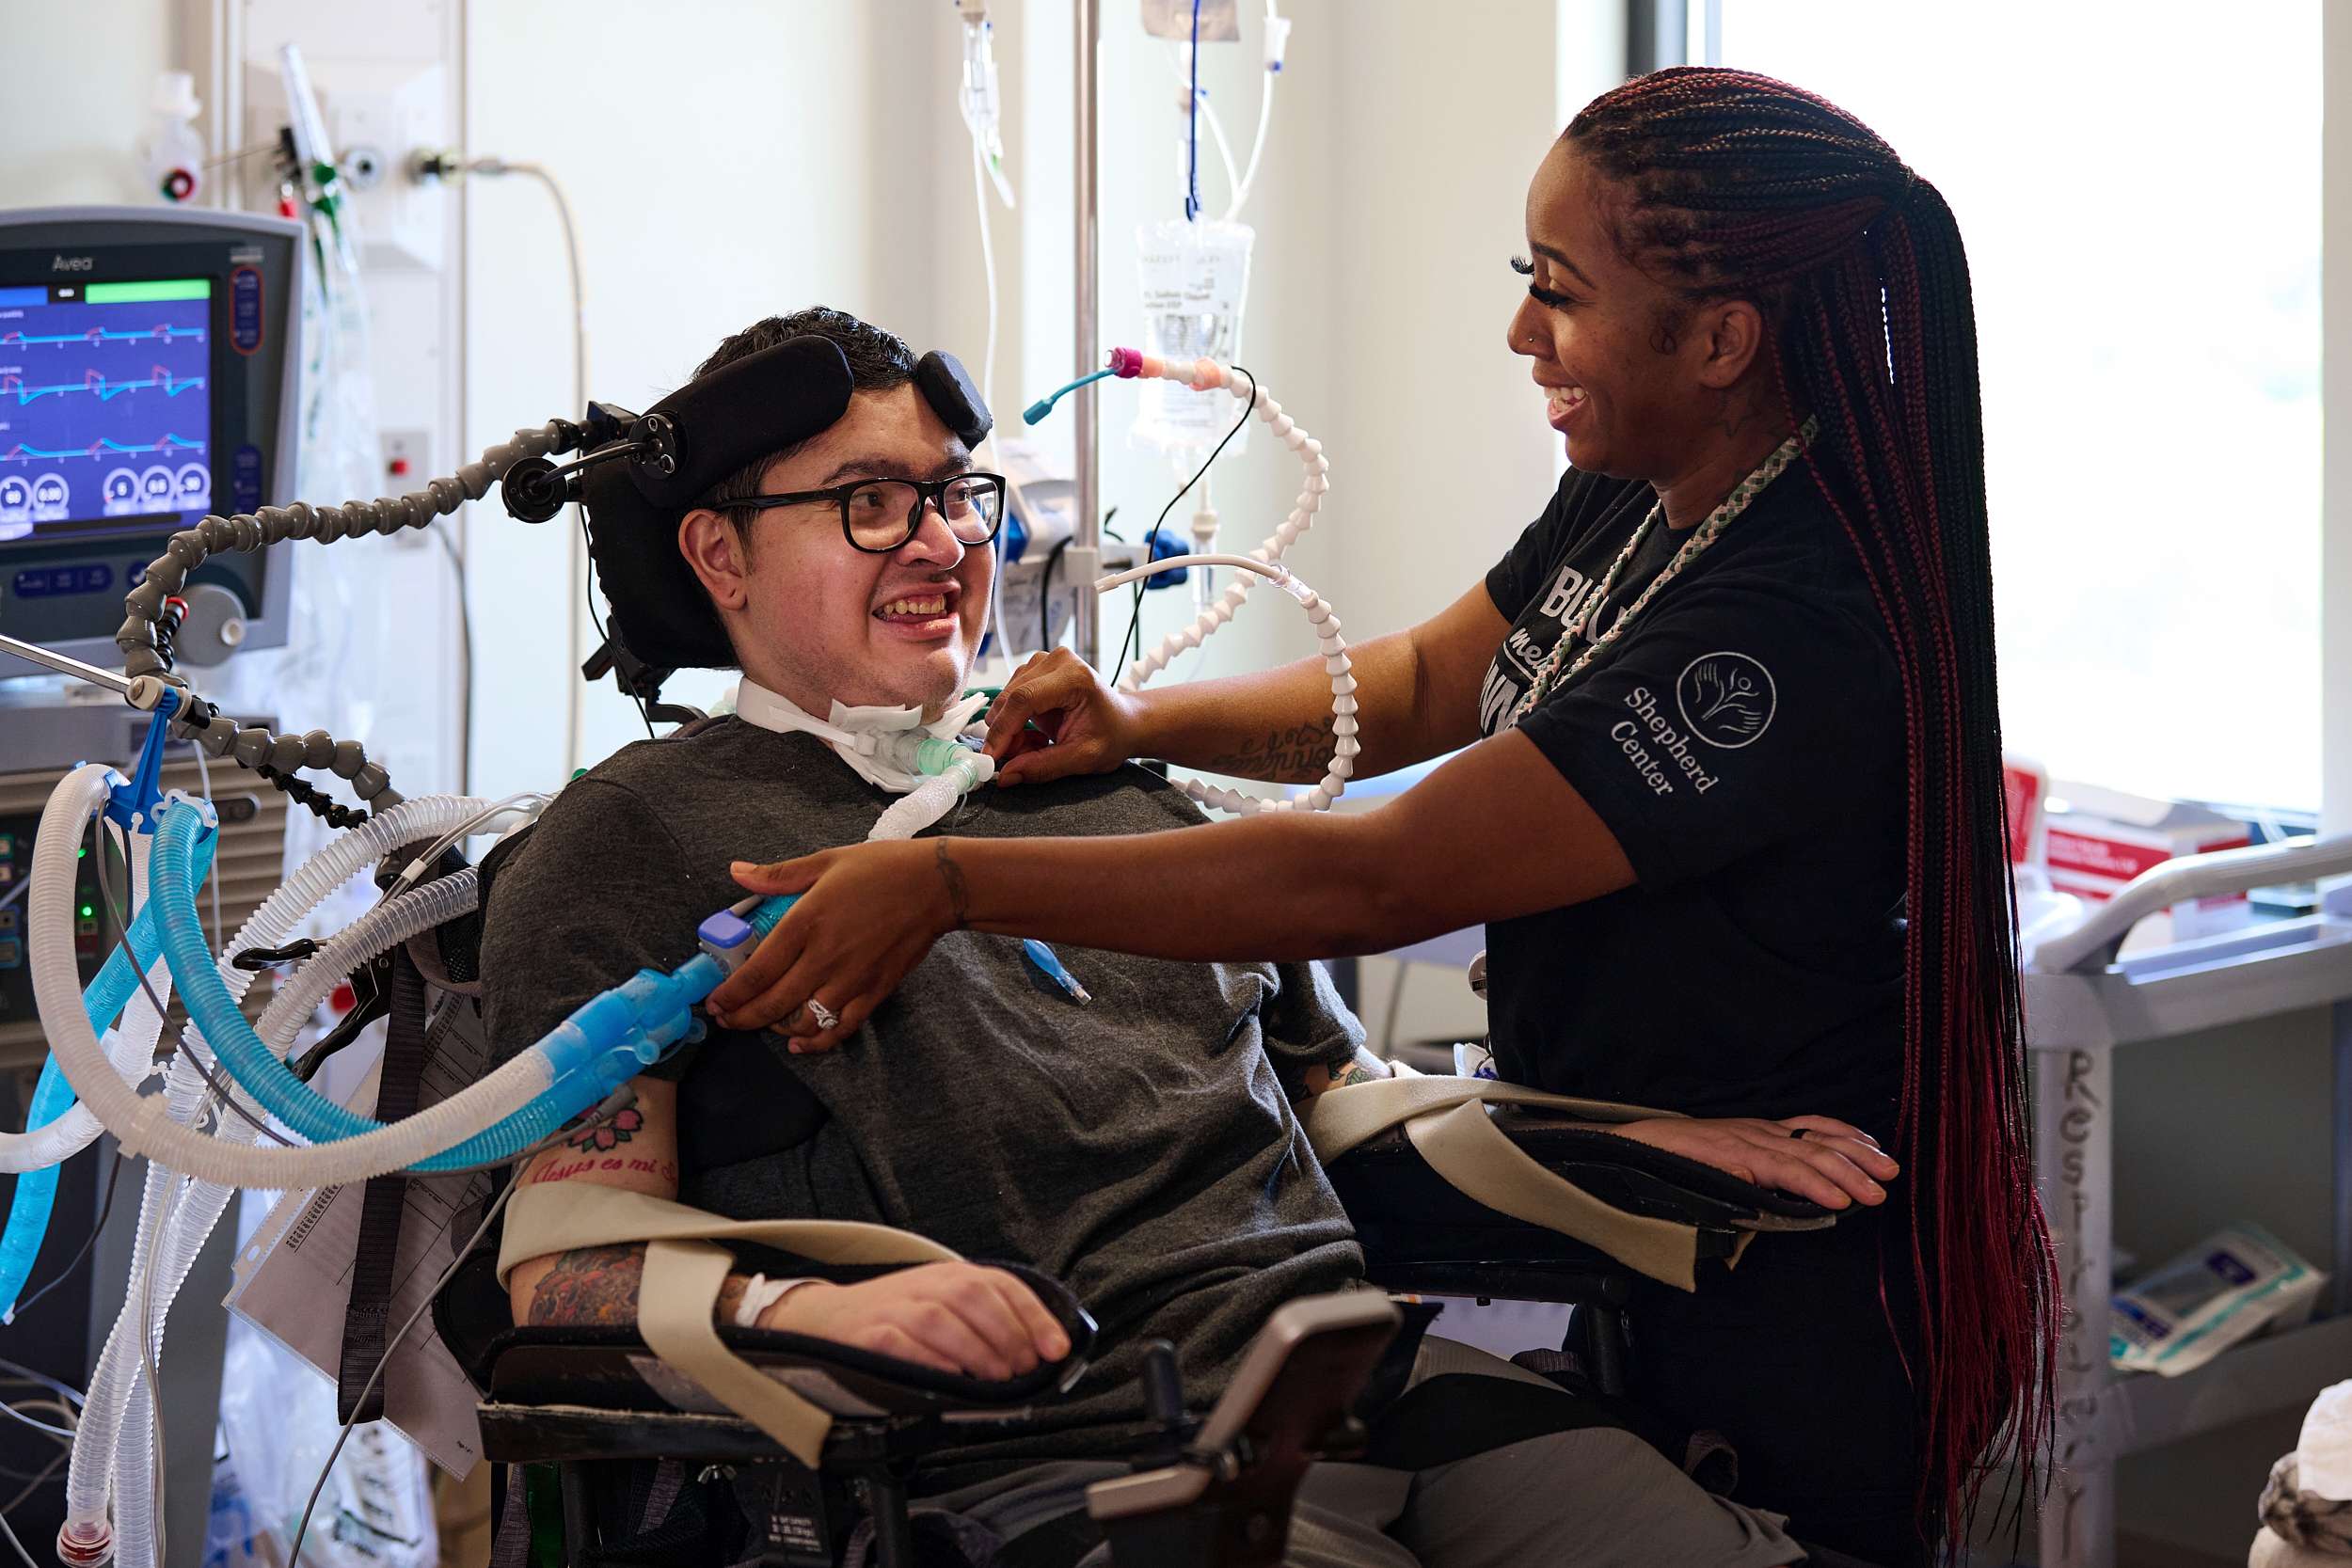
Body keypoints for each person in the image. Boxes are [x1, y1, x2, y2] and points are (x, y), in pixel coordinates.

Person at [701, 69, 2058, 1567]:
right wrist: (1147, 720)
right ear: (714, 553)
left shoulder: (1791, 620)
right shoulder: (1647, 482)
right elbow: (1425, 678)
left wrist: (952, 886)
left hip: (1780, 1249)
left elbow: (1376, 882)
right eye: (864, 506)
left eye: (1562, 293)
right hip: (1504, 1226)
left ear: (1723, 341)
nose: (1522, 332)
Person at [481, 306, 1837, 1566]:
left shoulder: (1098, 779)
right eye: (868, 504)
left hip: (1357, 1371)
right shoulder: (638, 836)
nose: (946, 545)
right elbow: (563, 1255)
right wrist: (816, 1313)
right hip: (1071, 1448)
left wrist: (1604, 1138)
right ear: (718, 553)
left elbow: (1334, 1103)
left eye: (956, 496)